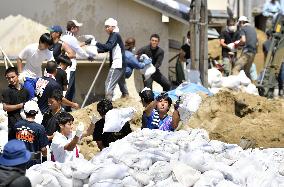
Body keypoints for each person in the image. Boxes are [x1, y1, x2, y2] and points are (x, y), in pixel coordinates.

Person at [60, 20, 94, 111]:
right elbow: (79, 51)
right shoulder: (71, 38)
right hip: (69, 67)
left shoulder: (65, 37)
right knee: (67, 90)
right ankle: (64, 110)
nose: (78, 29)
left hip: (69, 67)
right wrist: (88, 57)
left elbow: (75, 46)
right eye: (77, 27)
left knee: (71, 90)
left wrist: (85, 43)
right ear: (72, 29)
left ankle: (67, 110)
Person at [94, 18, 129, 100]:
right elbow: (106, 48)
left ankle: (108, 103)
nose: (106, 29)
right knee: (122, 83)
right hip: (121, 64)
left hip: (117, 63)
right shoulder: (114, 36)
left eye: (107, 27)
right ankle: (127, 98)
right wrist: (94, 50)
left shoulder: (115, 35)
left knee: (108, 84)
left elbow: (108, 47)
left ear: (113, 27)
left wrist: (96, 43)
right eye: (105, 27)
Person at [10, 100, 48, 168]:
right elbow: (43, 149)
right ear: (36, 112)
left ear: (24, 112)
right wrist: (45, 159)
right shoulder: (40, 128)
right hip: (33, 163)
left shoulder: (16, 125)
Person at [17, 33, 53, 99]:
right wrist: (20, 74)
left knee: (40, 97)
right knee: (31, 97)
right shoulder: (30, 48)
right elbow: (19, 58)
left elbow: (52, 64)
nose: (47, 47)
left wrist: (48, 76)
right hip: (27, 77)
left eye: (49, 45)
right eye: (46, 45)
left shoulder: (48, 52)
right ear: (41, 41)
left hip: (39, 77)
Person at [2, 67, 29, 140]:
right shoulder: (6, 91)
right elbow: (5, 107)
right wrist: (21, 105)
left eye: (13, 77)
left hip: (25, 125)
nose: (11, 80)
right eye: (8, 78)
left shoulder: (26, 91)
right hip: (13, 126)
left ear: (18, 76)